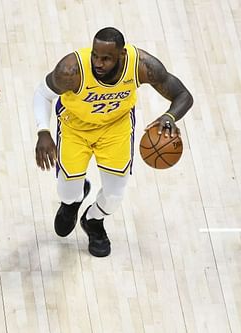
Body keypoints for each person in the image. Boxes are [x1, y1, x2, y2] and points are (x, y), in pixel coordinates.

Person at [33, 27, 193, 257]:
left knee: (115, 196)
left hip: (115, 129)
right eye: (95, 56)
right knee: (67, 194)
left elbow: (183, 95)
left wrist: (169, 117)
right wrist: (43, 132)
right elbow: (43, 94)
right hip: (75, 128)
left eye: (106, 58)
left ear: (122, 56)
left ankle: (93, 221)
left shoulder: (141, 66)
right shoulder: (72, 69)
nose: (98, 63)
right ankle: (75, 199)